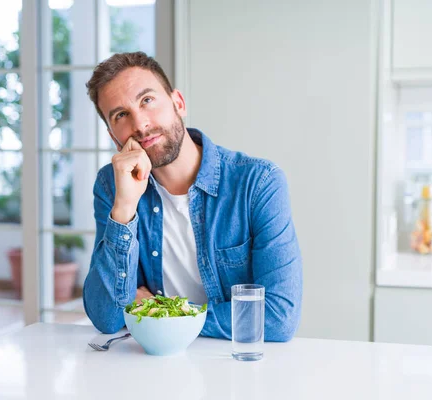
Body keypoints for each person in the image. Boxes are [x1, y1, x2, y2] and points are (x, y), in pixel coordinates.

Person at [82, 52, 302, 342]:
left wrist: (160, 313)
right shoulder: (112, 185)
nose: (140, 124)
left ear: (178, 104)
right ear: (113, 136)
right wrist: (124, 208)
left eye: (147, 100)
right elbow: (107, 317)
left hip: (235, 367)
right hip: (152, 365)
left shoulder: (258, 183)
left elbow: (278, 318)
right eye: (121, 115)